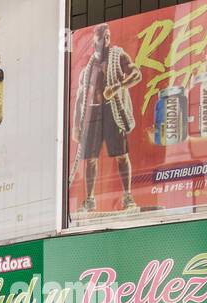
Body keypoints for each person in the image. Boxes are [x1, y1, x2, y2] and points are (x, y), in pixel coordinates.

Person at [71, 22, 142, 214]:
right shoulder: (88, 67)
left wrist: (118, 86)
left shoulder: (119, 55)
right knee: (90, 159)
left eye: (105, 39)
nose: (103, 43)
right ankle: (89, 200)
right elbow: (79, 98)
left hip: (113, 110)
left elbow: (136, 74)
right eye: (99, 41)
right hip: (93, 113)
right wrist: (76, 126)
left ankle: (128, 197)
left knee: (121, 155)